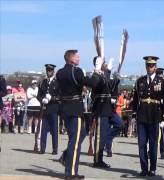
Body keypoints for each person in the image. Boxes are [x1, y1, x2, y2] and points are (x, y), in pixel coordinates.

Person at [131, 56, 164, 177]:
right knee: (141, 144)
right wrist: (133, 114)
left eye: (152, 65)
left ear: (155, 67)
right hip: (142, 115)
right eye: (148, 65)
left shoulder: (162, 81)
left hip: (155, 115)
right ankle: (144, 168)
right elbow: (136, 98)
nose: (150, 67)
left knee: (153, 144)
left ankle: (152, 168)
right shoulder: (140, 81)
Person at [56, 49, 87, 179]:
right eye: (77, 56)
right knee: (75, 142)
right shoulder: (76, 71)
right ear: (71, 58)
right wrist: (98, 73)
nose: (79, 58)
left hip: (65, 109)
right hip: (75, 109)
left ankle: (65, 157)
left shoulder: (60, 72)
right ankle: (71, 172)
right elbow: (92, 83)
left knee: (80, 134)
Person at [86, 56, 112, 168]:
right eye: (103, 61)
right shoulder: (95, 75)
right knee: (99, 136)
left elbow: (110, 86)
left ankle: (107, 140)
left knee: (119, 124)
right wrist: (99, 71)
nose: (105, 63)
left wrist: (111, 74)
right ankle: (97, 160)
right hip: (101, 108)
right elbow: (95, 85)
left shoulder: (103, 74)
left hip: (108, 108)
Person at [37, 64, 60, 154]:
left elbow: (60, 96)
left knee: (54, 130)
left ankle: (55, 149)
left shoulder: (57, 82)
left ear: (53, 71)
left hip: (53, 109)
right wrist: (42, 99)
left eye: (50, 70)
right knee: (43, 130)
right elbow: (39, 95)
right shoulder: (43, 82)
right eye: (47, 70)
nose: (48, 72)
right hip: (45, 108)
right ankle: (42, 148)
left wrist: (52, 98)